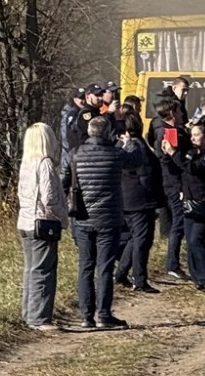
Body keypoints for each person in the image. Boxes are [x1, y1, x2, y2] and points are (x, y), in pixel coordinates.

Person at [63, 114, 127, 330]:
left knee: (85, 266)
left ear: (89, 131)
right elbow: (137, 159)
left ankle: (85, 315)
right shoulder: (115, 154)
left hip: (81, 217)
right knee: (105, 267)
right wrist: (126, 142)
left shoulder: (75, 154)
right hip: (108, 218)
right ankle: (104, 314)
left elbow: (64, 181)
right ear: (108, 132)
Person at [16, 120, 66, 331]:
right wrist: (63, 216)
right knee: (43, 271)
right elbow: (49, 198)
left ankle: (29, 314)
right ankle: (39, 318)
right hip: (42, 223)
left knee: (31, 270)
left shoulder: (26, 163)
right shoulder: (44, 163)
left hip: (25, 221)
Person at [115, 108, 163, 295]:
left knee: (135, 239)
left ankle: (121, 273)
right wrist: (153, 198)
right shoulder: (138, 147)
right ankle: (140, 279)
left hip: (126, 199)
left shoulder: (120, 146)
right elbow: (146, 175)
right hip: (140, 200)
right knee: (142, 240)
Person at [176, 118, 205, 289]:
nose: (193, 138)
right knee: (190, 241)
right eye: (192, 135)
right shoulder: (191, 152)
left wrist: (174, 155)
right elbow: (184, 165)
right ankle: (197, 278)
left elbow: (193, 169)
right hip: (190, 202)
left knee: (197, 239)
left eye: (197, 135)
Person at [154, 99, 187, 282]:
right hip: (173, 184)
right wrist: (179, 186)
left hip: (169, 182)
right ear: (172, 114)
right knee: (179, 222)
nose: (182, 114)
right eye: (179, 111)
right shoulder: (170, 132)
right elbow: (171, 161)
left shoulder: (159, 130)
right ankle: (173, 264)